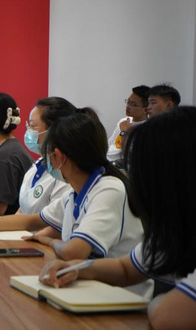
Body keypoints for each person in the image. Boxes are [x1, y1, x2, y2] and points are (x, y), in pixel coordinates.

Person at [40, 107, 196, 327]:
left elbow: (165, 316)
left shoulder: (109, 188)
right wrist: (76, 269)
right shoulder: (176, 230)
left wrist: (156, 303)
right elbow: (125, 269)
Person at [0, 112, 144, 264]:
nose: (45, 162)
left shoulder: (109, 190)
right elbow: (33, 221)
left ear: (59, 156)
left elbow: (74, 251)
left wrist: (49, 241)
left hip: (113, 294)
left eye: (47, 154)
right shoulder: (75, 193)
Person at [19, 97, 77, 214]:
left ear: (53, 131)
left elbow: (50, 221)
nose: (28, 131)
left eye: (33, 126)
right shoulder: (38, 164)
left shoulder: (63, 175)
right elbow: (22, 210)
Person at [106, 85, 149, 162]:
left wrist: (124, 132)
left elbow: (125, 153)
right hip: (106, 160)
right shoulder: (124, 121)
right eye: (128, 102)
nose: (128, 106)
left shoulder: (146, 129)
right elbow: (110, 143)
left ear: (145, 110)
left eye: (133, 104)